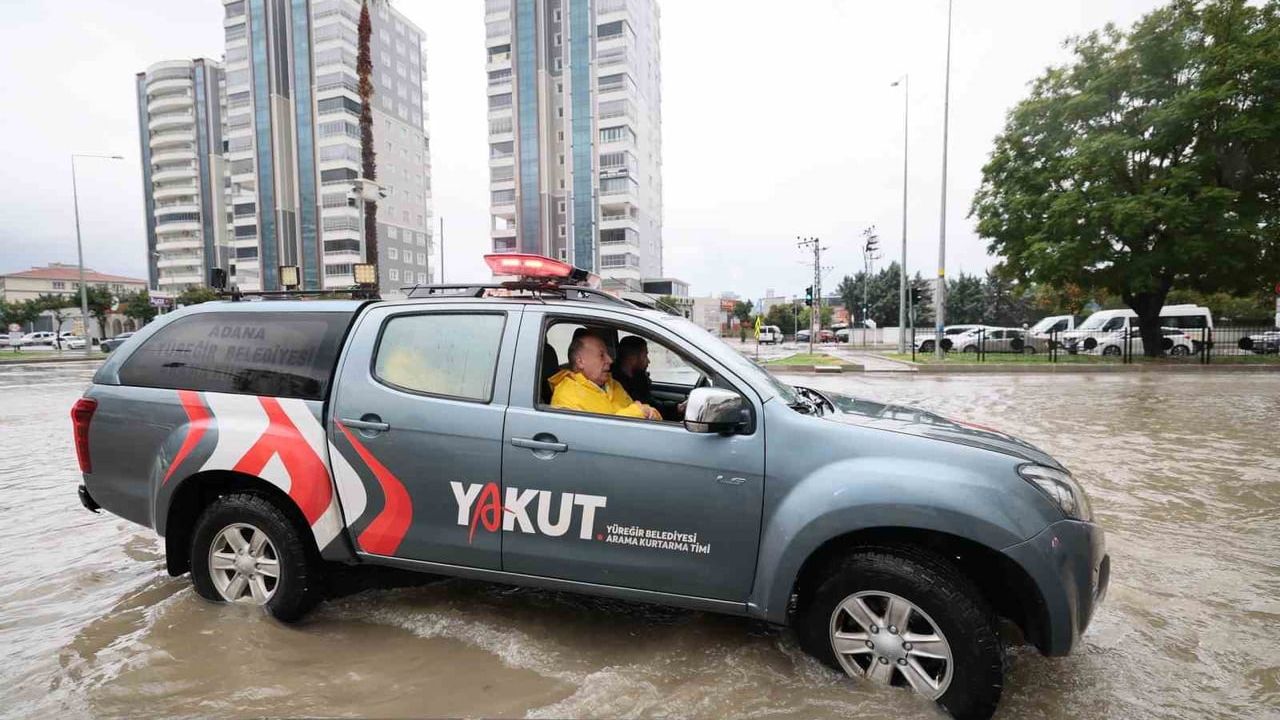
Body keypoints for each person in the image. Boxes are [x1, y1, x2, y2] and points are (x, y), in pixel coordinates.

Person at [549, 334, 661, 421]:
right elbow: (596, 438)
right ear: (580, 362)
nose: (610, 360)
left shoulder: (613, 385)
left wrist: (647, 412)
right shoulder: (566, 397)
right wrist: (637, 412)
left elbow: (645, 411)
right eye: (602, 355)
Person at [612, 335, 686, 420]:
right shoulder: (616, 385)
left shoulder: (638, 378)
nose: (648, 361)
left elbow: (651, 403)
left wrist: (678, 407)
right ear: (633, 358)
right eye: (645, 355)